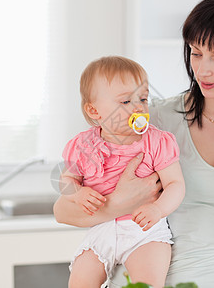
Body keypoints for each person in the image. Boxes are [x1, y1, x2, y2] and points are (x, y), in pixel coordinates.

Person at [54, 0, 214, 287]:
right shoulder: (153, 118)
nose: (202, 69)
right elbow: (62, 210)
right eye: (196, 53)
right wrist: (118, 203)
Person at [60, 56, 186, 288]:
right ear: (94, 110)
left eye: (143, 98)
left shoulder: (156, 141)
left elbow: (176, 185)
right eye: (126, 101)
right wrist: (77, 193)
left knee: (147, 283)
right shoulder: (83, 145)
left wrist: (158, 208)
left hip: (145, 231)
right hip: (101, 229)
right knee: (79, 282)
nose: (138, 107)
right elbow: (66, 179)